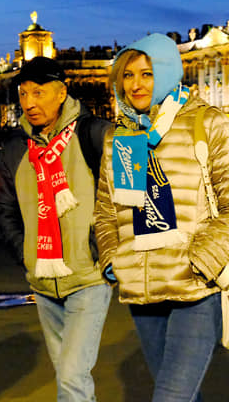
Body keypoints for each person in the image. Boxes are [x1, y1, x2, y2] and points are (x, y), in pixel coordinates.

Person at [94, 33, 229, 402]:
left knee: (170, 398)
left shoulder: (207, 122)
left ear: (168, 72)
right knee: (185, 396)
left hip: (195, 290)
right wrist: (113, 259)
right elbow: (107, 211)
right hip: (143, 294)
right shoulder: (121, 138)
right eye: (128, 75)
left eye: (147, 73)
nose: (136, 84)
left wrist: (201, 261)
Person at [0, 56, 112, 402]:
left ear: (61, 93)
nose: (29, 103)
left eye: (39, 93)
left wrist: (99, 251)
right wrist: (26, 253)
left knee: (72, 376)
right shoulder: (16, 147)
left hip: (88, 279)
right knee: (69, 377)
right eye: (23, 94)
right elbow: (4, 209)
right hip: (42, 282)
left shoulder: (94, 134)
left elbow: (123, 197)